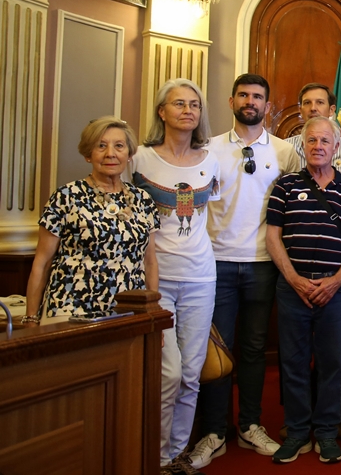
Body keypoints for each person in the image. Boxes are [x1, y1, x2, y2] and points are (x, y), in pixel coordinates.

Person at [190, 74, 297, 468]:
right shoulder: (208, 149)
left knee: (254, 350)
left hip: (264, 264)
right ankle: (214, 432)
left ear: (267, 105)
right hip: (215, 264)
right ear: (231, 99)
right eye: (244, 95)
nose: (250, 101)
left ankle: (250, 425)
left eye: (258, 97)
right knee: (217, 350)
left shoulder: (285, 152)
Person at [130, 79, 221, 475]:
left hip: (201, 277)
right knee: (167, 372)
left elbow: (206, 217)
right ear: (162, 111)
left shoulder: (210, 159)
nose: (187, 110)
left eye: (194, 105)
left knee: (190, 372)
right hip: (157, 280)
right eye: (178, 103)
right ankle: (156, 453)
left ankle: (176, 454)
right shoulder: (138, 159)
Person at [265, 116, 341, 464]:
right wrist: (293, 278)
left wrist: (337, 281)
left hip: (335, 289)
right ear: (303, 145)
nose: (318, 146)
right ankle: (296, 432)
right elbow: (272, 237)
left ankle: (326, 433)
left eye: (325, 141)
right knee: (292, 363)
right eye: (312, 141)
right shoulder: (285, 185)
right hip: (292, 287)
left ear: (336, 147)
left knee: (329, 364)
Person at [24, 117, 158, 324]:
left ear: (129, 154)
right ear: (88, 154)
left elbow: (149, 263)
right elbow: (42, 263)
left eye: (119, 146)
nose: (110, 153)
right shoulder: (66, 196)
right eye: (101, 146)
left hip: (128, 313)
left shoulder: (143, 200)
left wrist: (152, 314)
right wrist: (31, 318)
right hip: (71, 311)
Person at [287, 83, 341, 179]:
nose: (313, 108)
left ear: (331, 110)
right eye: (307, 103)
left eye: (319, 102)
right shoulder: (286, 148)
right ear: (300, 110)